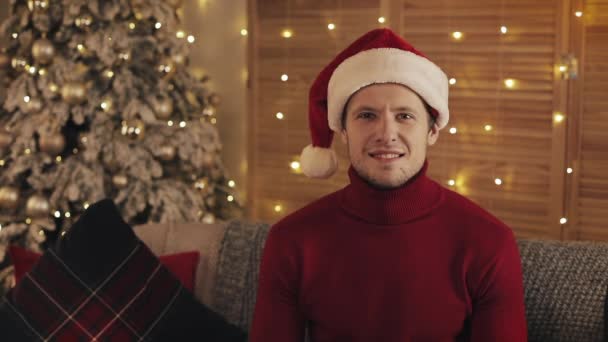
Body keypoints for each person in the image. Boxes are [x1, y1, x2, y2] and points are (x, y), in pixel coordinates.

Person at [250, 28, 527, 342]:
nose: (386, 133)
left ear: (432, 130)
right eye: (367, 115)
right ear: (343, 130)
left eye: (404, 116)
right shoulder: (292, 240)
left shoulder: (488, 242)